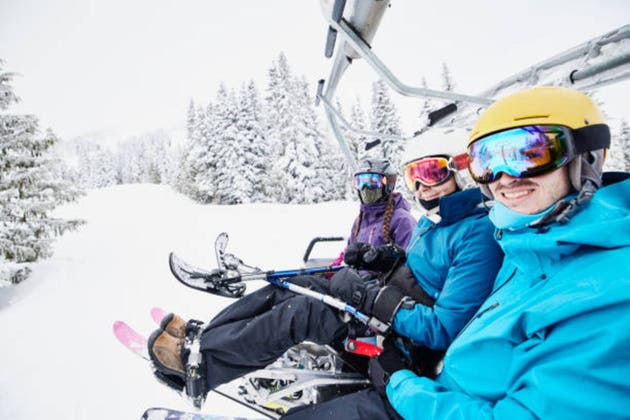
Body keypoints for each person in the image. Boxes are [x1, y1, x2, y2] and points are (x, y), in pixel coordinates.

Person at [288, 86, 630, 419]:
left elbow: (447, 322)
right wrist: (387, 261)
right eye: (487, 161)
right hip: (435, 383)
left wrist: (402, 381)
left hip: (424, 395)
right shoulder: (523, 243)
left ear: (586, 157)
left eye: (530, 154)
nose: (505, 178)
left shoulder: (609, 293)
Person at [147, 128, 503, 416]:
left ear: (464, 172)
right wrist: (382, 259)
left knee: (306, 308)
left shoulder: (477, 235)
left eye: (432, 172)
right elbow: (420, 271)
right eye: (415, 175)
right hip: (383, 309)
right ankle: (207, 339)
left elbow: (442, 327)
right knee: (295, 285)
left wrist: (370, 296)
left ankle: (203, 365)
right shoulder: (438, 222)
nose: (423, 186)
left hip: (397, 336)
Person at [331, 158, 417, 267]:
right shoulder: (360, 220)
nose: (365, 188)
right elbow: (348, 253)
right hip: (357, 279)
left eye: (373, 182)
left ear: (388, 184)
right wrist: (334, 268)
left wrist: (383, 259)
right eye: (360, 182)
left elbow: (410, 263)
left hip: (384, 282)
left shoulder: (402, 220)